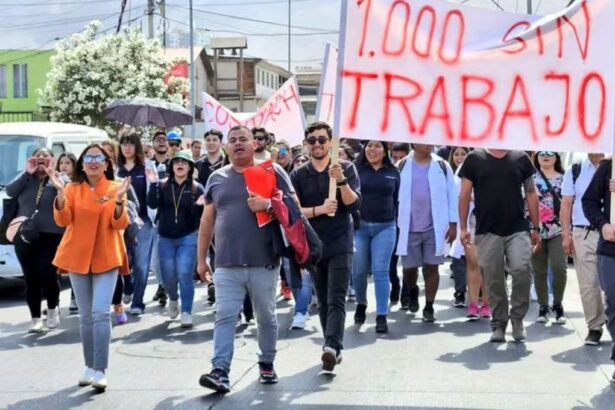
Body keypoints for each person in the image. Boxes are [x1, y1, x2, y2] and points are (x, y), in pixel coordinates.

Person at [197, 125, 294, 392]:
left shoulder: (272, 172)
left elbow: (293, 205)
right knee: (224, 317)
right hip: (226, 263)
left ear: (255, 145)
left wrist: (268, 205)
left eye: (243, 139)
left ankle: (266, 361)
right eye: (233, 140)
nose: (238, 144)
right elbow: (207, 220)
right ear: (226, 147)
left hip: (264, 260)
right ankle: (219, 371)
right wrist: (201, 259)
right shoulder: (216, 177)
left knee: (266, 317)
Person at [48, 144, 131, 391]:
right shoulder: (72, 188)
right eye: (88, 157)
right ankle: (88, 367)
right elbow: (63, 220)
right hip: (77, 256)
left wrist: (117, 202)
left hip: (107, 256)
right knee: (85, 316)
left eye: (99, 158)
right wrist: (61, 195)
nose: (93, 161)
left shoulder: (117, 187)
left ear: (107, 163)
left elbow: (120, 223)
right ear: (82, 163)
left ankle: (100, 369)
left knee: (100, 312)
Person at [290, 121, 361, 372]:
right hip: (314, 245)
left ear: (330, 142)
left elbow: (353, 205)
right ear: (306, 145)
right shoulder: (298, 174)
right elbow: (294, 212)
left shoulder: (346, 168)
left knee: (336, 297)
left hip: (341, 240)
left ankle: (331, 346)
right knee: (321, 298)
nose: (317, 144)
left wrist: (341, 181)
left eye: (322, 139)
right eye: (312, 140)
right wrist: (319, 209)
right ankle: (331, 345)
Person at [458, 149, 540, 343]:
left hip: (517, 228)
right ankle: (499, 324)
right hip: (486, 229)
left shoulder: (520, 158)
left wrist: (536, 227)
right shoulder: (474, 159)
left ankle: (517, 319)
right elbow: (464, 194)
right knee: (493, 279)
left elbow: (530, 192)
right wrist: (463, 227)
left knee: (522, 269)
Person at [395, 144, 457, 322]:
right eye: (425, 141)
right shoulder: (401, 165)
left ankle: (429, 306)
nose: (430, 144)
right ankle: (413, 289)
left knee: (432, 266)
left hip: (435, 226)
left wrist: (453, 224)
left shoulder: (442, 166)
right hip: (409, 226)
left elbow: (452, 195)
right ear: (414, 143)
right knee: (409, 268)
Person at [6, 148, 64, 333]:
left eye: (45, 156)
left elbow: (68, 194)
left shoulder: (58, 177)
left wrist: (53, 177)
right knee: (31, 278)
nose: (41, 159)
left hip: (52, 234)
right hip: (25, 233)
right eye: (37, 156)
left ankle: (53, 310)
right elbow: (9, 191)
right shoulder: (25, 178)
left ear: (51, 159)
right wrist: (26, 172)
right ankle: (35, 318)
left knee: (47, 273)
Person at [147, 151, 205, 327]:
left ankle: (186, 311)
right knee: (169, 276)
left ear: (189, 167)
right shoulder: (163, 185)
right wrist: (153, 185)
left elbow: (199, 217)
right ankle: (173, 298)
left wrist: (197, 206)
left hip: (188, 237)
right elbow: (152, 204)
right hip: (165, 237)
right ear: (172, 166)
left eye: (184, 162)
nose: (180, 165)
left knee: (184, 273)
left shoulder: (197, 188)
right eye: (176, 162)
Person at [352, 141, 399, 333]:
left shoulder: (394, 172)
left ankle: (381, 315)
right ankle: (361, 303)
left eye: (377, 146)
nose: (372, 150)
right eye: (369, 145)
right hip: (359, 227)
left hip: (385, 227)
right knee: (360, 270)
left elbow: (397, 199)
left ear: (385, 150)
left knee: (381, 271)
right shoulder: (355, 170)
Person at [561, 153, 606, 345]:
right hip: (583, 232)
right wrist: (566, 235)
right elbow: (566, 204)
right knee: (588, 284)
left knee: (609, 284)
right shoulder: (575, 170)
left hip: (610, 231)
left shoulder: (611, 166)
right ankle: (594, 326)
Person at [581, 158, 615, 384]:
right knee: (614, 303)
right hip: (611, 249)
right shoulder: (609, 166)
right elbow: (589, 201)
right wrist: (603, 224)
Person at [447, 147, 490, 319]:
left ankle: (487, 304)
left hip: (493, 220)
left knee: (487, 265)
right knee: (473, 263)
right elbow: (459, 194)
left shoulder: (500, 162)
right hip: (472, 220)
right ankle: (473, 304)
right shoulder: (468, 164)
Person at [117, 134, 157, 316]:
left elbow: (153, 193)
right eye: (124, 144)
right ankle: (128, 286)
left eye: (131, 144)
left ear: (137, 147)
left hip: (143, 222)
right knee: (123, 262)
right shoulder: (115, 170)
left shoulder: (146, 167)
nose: (127, 147)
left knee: (141, 264)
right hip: (119, 223)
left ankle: (138, 301)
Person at [530, 151, 567, 324]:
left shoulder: (565, 178)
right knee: (539, 270)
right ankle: (543, 306)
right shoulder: (530, 178)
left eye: (550, 153)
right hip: (536, 229)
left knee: (559, 268)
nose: (546, 156)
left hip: (559, 229)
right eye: (542, 153)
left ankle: (558, 304)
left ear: (557, 157)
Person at [389, 142, 411, 304]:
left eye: (401, 157)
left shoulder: (413, 170)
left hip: (412, 222)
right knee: (391, 263)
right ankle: (395, 284)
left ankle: (408, 290)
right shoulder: (388, 172)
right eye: (394, 157)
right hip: (392, 222)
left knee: (410, 263)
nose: (397, 161)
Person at [150, 130, 170, 306]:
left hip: (173, 215)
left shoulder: (176, 163)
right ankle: (162, 285)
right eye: (158, 140)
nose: (161, 142)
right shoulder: (148, 165)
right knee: (155, 257)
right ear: (153, 144)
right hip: (154, 217)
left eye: (164, 139)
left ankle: (171, 286)